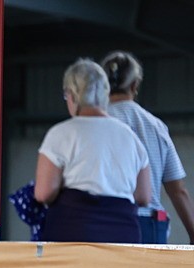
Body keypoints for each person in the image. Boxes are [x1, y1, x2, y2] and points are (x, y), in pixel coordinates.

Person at [34, 59, 151, 243]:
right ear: (105, 94)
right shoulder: (130, 137)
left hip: (73, 231)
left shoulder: (60, 133)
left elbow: (43, 193)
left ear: (72, 95)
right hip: (122, 234)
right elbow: (143, 196)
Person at [102, 50, 194, 244]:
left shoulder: (94, 124)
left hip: (108, 222)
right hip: (151, 225)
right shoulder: (156, 126)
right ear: (135, 85)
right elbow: (178, 190)